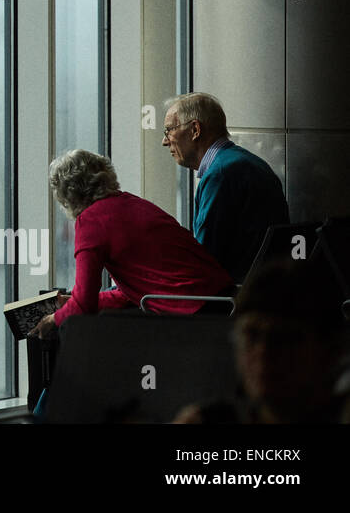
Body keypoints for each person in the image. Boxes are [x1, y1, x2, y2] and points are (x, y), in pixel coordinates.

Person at [32, 149, 235, 340]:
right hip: (225, 303)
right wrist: (70, 302)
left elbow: (84, 305)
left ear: (67, 195)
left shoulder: (91, 221)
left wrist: (52, 319)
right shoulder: (133, 203)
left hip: (191, 314)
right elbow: (125, 295)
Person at [174, 259, 350, 424]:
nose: (263, 352)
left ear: (331, 349)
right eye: (251, 336)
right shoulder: (208, 419)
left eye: (284, 338)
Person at [162, 92, 289, 282]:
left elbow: (205, 258)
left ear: (195, 129)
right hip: (264, 290)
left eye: (169, 130)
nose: (165, 141)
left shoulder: (220, 174)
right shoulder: (248, 162)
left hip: (234, 298)